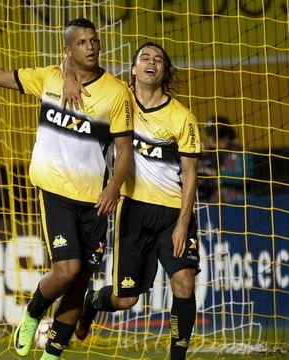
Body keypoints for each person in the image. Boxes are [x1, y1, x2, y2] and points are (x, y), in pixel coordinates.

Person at [0, 18, 134, 360]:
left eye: (93, 40)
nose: (91, 46)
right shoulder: (48, 78)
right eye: (82, 42)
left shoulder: (117, 92)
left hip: (95, 200)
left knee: (79, 284)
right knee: (67, 270)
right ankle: (33, 313)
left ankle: (52, 354)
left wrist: (114, 188)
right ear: (68, 50)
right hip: (56, 193)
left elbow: (124, 149)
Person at [63, 42, 201, 360]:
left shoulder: (182, 117)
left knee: (184, 283)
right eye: (145, 58)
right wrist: (69, 75)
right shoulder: (116, 101)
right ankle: (91, 303)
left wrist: (182, 223)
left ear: (164, 71)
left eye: (159, 60)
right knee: (126, 300)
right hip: (133, 212)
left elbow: (191, 174)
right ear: (134, 69)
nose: (152, 63)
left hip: (173, 215)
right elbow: (78, 70)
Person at [197, 116, 254, 203]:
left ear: (228, 135)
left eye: (219, 136)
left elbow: (245, 177)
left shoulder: (241, 153)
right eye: (212, 136)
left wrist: (215, 173)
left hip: (240, 202)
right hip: (213, 204)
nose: (215, 140)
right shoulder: (206, 155)